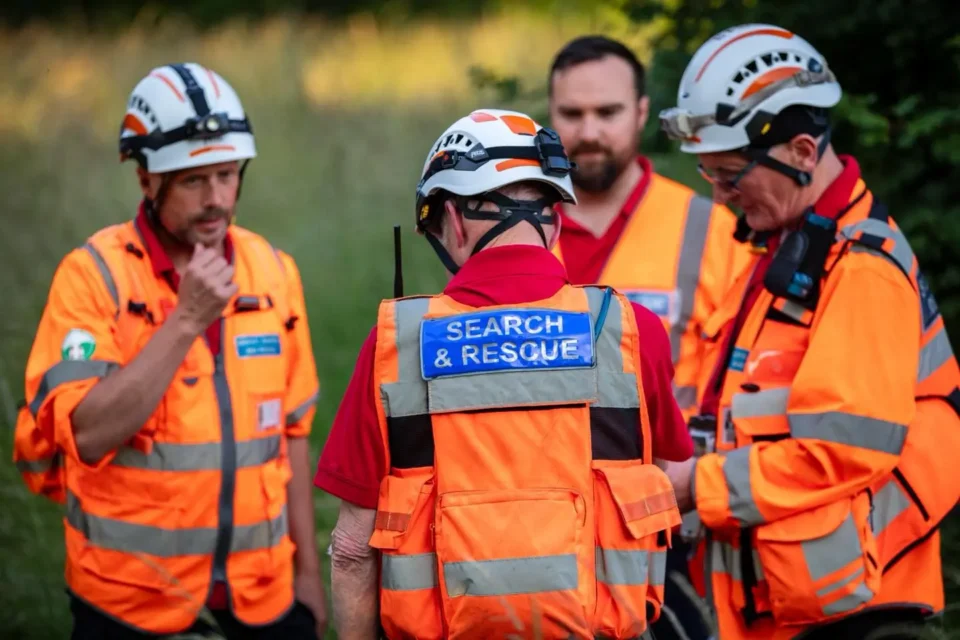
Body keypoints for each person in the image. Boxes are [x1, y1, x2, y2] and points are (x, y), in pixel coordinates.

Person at [314, 108, 693, 639]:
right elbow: (668, 481)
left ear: (453, 217)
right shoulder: (632, 331)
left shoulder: (395, 344)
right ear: (556, 219)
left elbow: (353, 549)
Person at [658, 23, 960, 639]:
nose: (719, 195)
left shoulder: (861, 270)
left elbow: (840, 451)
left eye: (731, 174)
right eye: (709, 174)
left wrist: (695, 484)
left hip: (856, 617)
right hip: (792, 611)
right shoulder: (793, 251)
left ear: (800, 151)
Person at [13, 63, 327, 639]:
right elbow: (85, 433)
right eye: (192, 180)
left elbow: (293, 434)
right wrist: (186, 320)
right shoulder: (93, 277)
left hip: (263, 598)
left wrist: (308, 575)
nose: (216, 199)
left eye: (228, 175)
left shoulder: (275, 272)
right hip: (130, 607)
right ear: (146, 180)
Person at [548, 35, 758, 640]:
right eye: (572, 114)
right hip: (537, 535)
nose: (589, 131)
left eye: (608, 112)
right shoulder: (509, 232)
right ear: (550, 115)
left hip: (673, 535)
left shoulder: (713, 229)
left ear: (642, 112)